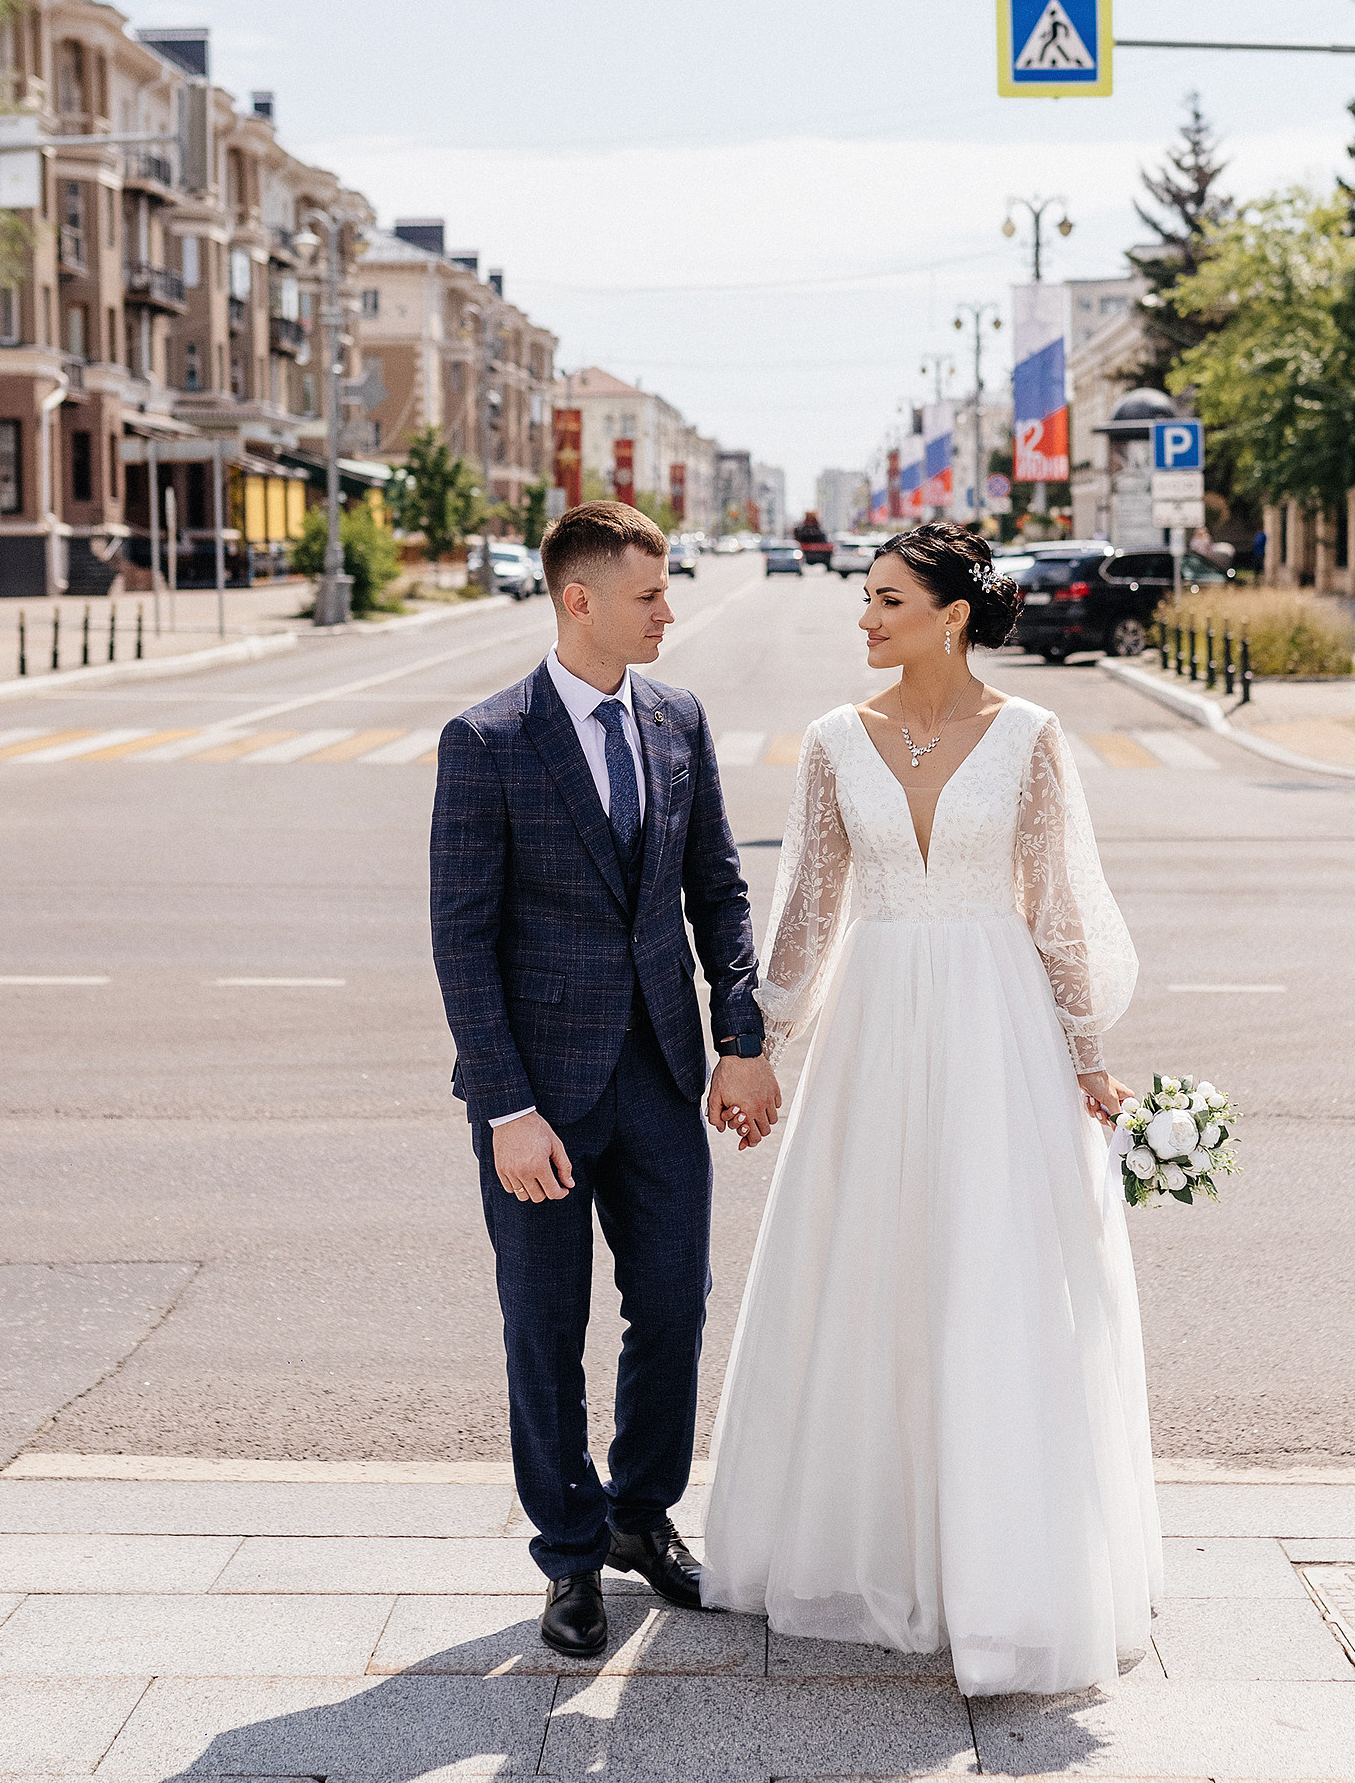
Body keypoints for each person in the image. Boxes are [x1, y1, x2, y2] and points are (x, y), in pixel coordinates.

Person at [702, 524, 1161, 1695]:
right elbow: (806, 908)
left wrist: (1087, 1056)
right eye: (864, 599)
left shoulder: (1031, 738)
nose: (862, 618)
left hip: (994, 1025)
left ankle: (1001, 1566)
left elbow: (1055, 907)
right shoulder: (827, 743)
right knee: (872, 1268)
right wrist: (755, 1047)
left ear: (949, 614)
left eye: (885, 600)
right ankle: (870, 1548)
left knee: (990, 1277)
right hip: (874, 1024)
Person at [430, 500, 781, 1660]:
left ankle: (640, 1514)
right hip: (539, 1096)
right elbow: (461, 940)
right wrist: (506, 1109)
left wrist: (741, 1036)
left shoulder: (676, 719)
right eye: (648, 594)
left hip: (661, 1075)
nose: (668, 611)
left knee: (673, 1306)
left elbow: (717, 893)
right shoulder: (486, 740)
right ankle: (570, 1558)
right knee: (542, 1325)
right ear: (578, 601)